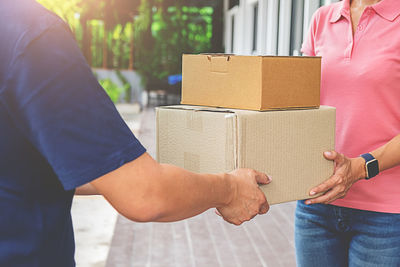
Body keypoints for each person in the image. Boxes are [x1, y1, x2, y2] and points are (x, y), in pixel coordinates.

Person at [0, 0, 271, 266]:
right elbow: (145, 195)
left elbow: (23, 169)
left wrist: (122, 175)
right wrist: (230, 188)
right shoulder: (30, 33)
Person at [295, 0, 400, 266]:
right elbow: (301, 102)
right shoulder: (322, 18)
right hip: (315, 202)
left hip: (386, 214)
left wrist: (359, 168)